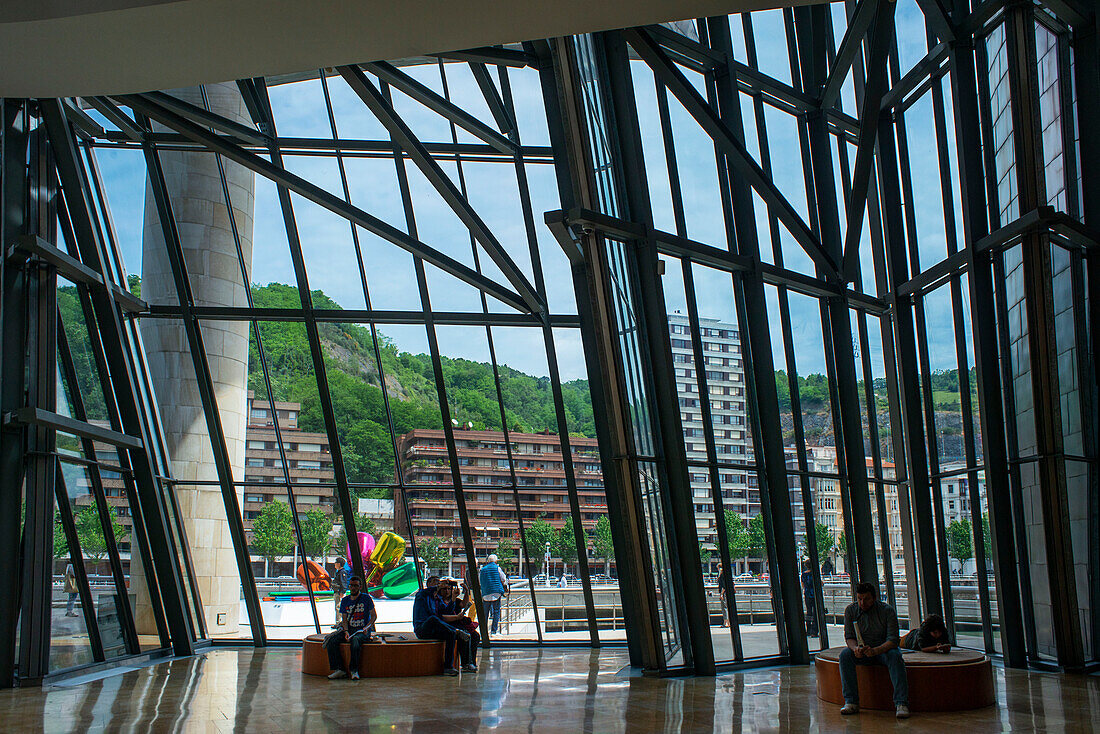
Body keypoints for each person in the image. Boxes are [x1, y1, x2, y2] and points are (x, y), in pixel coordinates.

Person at [839, 582, 909, 719]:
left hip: (884, 650)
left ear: (874, 598)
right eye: (859, 599)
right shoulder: (851, 611)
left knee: (895, 657)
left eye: (866, 599)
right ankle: (851, 701)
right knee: (845, 656)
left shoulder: (887, 611)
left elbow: (893, 640)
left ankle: (901, 703)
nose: (862, 602)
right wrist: (855, 649)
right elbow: (849, 637)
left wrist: (876, 650)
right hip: (863, 650)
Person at [412, 575, 470, 676]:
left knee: (450, 633)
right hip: (422, 629)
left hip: (434, 629)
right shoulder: (422, 595)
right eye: (435, 582)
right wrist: (438, 587)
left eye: (439, 582)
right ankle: (456, 631)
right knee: (433, 619)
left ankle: (448, 667)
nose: (438, 584)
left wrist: (453, 598)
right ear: (428, 584)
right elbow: (435, 618)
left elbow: (447, 611)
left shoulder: (438, 600)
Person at [323, 576, 377, 680]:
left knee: (356, 641)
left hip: (362, 630)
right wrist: (346, 631)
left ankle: (354, 670)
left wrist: (367, 627)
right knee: (332, 641)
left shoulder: (366, 598)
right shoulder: (345, 600)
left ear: (360, 587)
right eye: (351, 585)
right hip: (350, 629)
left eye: (355, 586)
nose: (353, 588)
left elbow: (374, 616)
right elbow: (344, 618)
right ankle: (340, 669)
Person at [437, 579, 479, 672]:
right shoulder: (439, 601)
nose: (447, 591)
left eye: (449, 589)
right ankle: (466, 663)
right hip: (448, 625)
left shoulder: (455, 600)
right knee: (464, 636)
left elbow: (463, 604)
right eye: (445, 589)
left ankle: (471, 661)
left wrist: (466, 591)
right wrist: (456, 616)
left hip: (457, 623)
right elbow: (444, 615)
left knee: (475, 636)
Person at [479, 554, 509, 635]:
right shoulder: (497, 568)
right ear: (496, 561)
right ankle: (493, 631)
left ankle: (483, 632)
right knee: (496, 612)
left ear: (488, 561)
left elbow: (480, 580)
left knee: (485, 613)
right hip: (496, 593)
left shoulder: (483, 569)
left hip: (486, 593)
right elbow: (503, 578)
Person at [801, 561, 818, 637]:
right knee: (816, 613)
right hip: (814, 594)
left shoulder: (803, 575)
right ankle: (814, 631)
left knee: (809, 612)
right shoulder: (814, 574)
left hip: (807, 594)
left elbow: (803, 585)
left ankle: (808, 629)